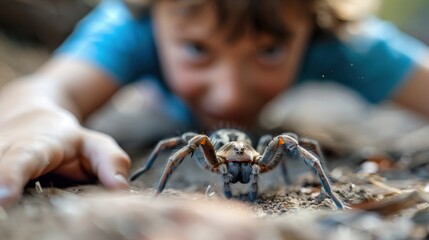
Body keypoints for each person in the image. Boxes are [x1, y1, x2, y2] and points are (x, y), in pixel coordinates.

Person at [0, 0, 428, 207]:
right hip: (169, 114)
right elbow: (46, 89)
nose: (229, 95)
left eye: (269, 51)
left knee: (295, 141)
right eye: (198, 50)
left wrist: (328, 191)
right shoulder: (131, 28)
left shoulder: (336, 40)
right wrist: (37, 117)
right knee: (186, 139)